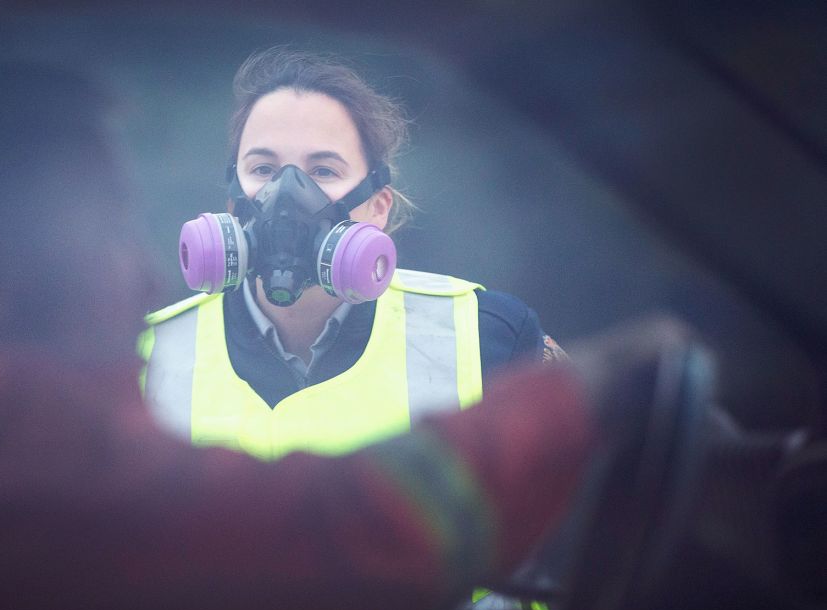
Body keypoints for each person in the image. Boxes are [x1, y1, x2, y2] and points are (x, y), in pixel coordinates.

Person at [0, 36, 670, 610]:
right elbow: (348, 539)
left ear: (378, 208)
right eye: (106, 234)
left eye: (324, 168)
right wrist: (597, 384)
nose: (141, 277)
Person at [142, 48, 569, 462]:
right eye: (263, 170)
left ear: (378, 206)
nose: (285, 195)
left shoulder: (488, 338)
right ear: (233, 200)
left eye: (324, 171)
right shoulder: (147, 357)